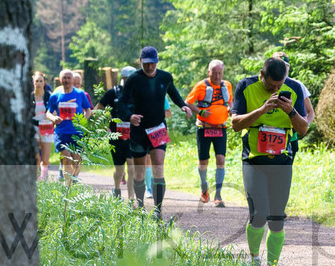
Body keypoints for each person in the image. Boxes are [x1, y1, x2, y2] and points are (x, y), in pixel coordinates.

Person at [230, 57, 310, 266]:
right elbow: (235, 124)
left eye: (279, 85)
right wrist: (261, 111)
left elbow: (303, 129)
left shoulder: (293, 88)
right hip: (254, 159)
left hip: (282, 161)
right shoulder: (246, 86)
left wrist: (291, 111)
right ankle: (254, 258)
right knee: (258, 214)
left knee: (276, 217)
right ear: (261, 75)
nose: (275, 89)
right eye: (270, 85)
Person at [116, 46, 193, 218]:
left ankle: (158, 209)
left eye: (153, 63)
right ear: (141, 61)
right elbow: (121, 103)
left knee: (158, 168)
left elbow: (173, 93)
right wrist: (130, 117)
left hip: (158, 129)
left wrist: (183, 105)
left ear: (157, 61)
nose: (150, 67)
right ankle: (141, 206)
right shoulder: (134, 79)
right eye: (147, 64)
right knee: (140, 172)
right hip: (138, 130)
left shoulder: (165, 77)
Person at [187, 60, 234, 206]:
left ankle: (218, 195)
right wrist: (200, 111)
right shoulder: (201, 86)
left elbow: (230, 102)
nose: (218, 76)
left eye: (220, 73)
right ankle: (204, 189)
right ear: (209, 72)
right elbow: (188, 102)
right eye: (215, 73)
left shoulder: (227, 85)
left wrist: (231, 110)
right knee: (203, 162)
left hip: (221, 128)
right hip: (204, 127)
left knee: (221, 160)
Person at [45, 69, 93, 187]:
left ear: (72, 80)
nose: (66, 80)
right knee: (66, 158)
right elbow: (48, 112)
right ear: (60, 80)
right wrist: (53, 119)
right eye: (64, 78)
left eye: (68, 78)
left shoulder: (80, 94)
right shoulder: (55, 96)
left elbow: (88, 110)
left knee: (76, 159)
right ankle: (68, 185)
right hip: (61, 132)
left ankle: (74, 177)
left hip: (77, 131)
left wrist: (83, 121)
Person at [97, 65, 137, 199]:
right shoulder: (113, 93)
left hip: (133, 136)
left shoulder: (139, 94)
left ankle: (131, 198)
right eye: (128, 79)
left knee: (132, 166)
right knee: (119, 169)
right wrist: (103, 125)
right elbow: (98, 108)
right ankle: (117, 189)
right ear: (123, 78)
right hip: (116, 136)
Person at [32, 71, 53, 181]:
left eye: (41, 81)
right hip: (34, 128)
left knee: (45, 159)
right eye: (37, 81)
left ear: (44, 83)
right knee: (36, 157)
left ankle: (44, 178)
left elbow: (54, 110)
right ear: (33, 82)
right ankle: (36, 178)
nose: (39, 83)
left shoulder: (49, 96)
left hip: (46, 127)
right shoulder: (29, 96)